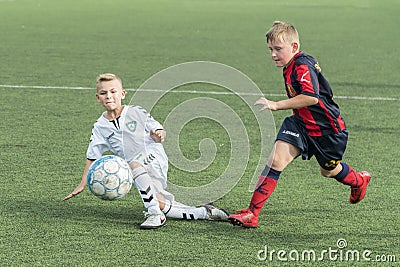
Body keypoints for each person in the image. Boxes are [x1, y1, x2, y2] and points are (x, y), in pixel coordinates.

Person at [228, 21, 371, 228]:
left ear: (294, 47)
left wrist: (276, 105)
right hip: (300, 124)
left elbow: (311, 97)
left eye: (278, 49)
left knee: (328, 171)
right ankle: (252, 214)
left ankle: (359, 181)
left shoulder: (302, 64)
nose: (273, 55)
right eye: (270, 49)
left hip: (328, 131)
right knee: (275, 161)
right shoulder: (289, 64)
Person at [64, 73, 229, 229]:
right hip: (137, 171)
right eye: (103, 92)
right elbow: (92, 155)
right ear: (98, 98)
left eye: (113, 91)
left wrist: (159, 135)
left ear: (122, 94)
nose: (109, 96)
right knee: (161, 203)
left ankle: (154, 214)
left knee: (134, 166)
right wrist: (83, 182)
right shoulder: (100, 126)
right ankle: (204, 212)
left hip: (154, 157)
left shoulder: (136, 112)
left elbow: (158, 129)